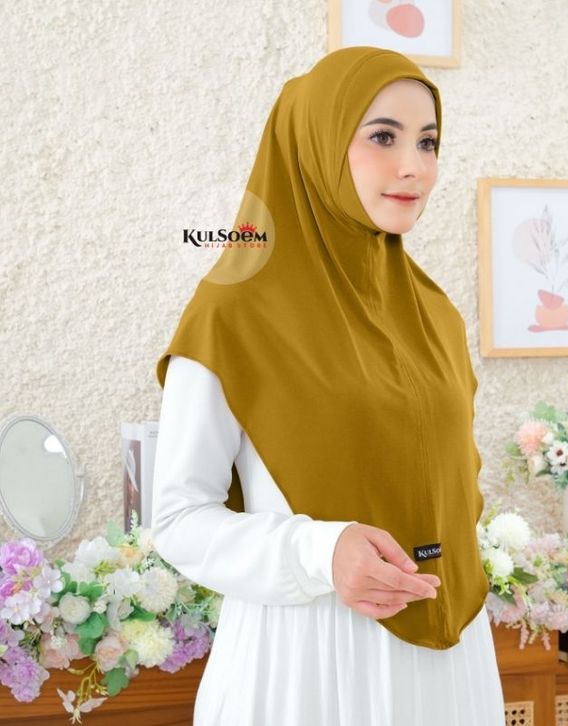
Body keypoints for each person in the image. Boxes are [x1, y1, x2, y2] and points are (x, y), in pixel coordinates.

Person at [151, 45, 506, 725]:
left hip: (445, 665)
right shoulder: (233, 313)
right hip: (306, 663)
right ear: (314, 146)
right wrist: (321, 551)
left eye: (428, 141)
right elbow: (177, 518)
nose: (414, 166)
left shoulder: (435, 315)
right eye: (383, 137)